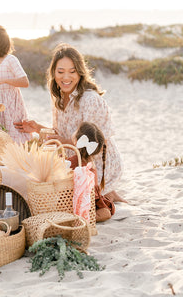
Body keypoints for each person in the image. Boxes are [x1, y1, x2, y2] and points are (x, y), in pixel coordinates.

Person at [14, 43, 125, 203]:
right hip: (76, 158)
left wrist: (64, 142)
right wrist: (38, 128)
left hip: (98, 162)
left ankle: (108, 193)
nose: (66, 78)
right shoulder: (58, 97)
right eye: (61, 72)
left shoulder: (89, 99)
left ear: (80, 73)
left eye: (72, 72)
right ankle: (108, 195)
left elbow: (92, 143)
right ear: (54, 73)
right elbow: (62, 134)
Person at [70, 122, 115, 222]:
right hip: (87, 200)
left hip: (75, 200)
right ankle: (85, 217)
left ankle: (83, 218)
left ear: (76, 140)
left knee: (105, 210)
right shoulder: (90, 165)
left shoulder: (72, 162)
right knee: (106, 210)